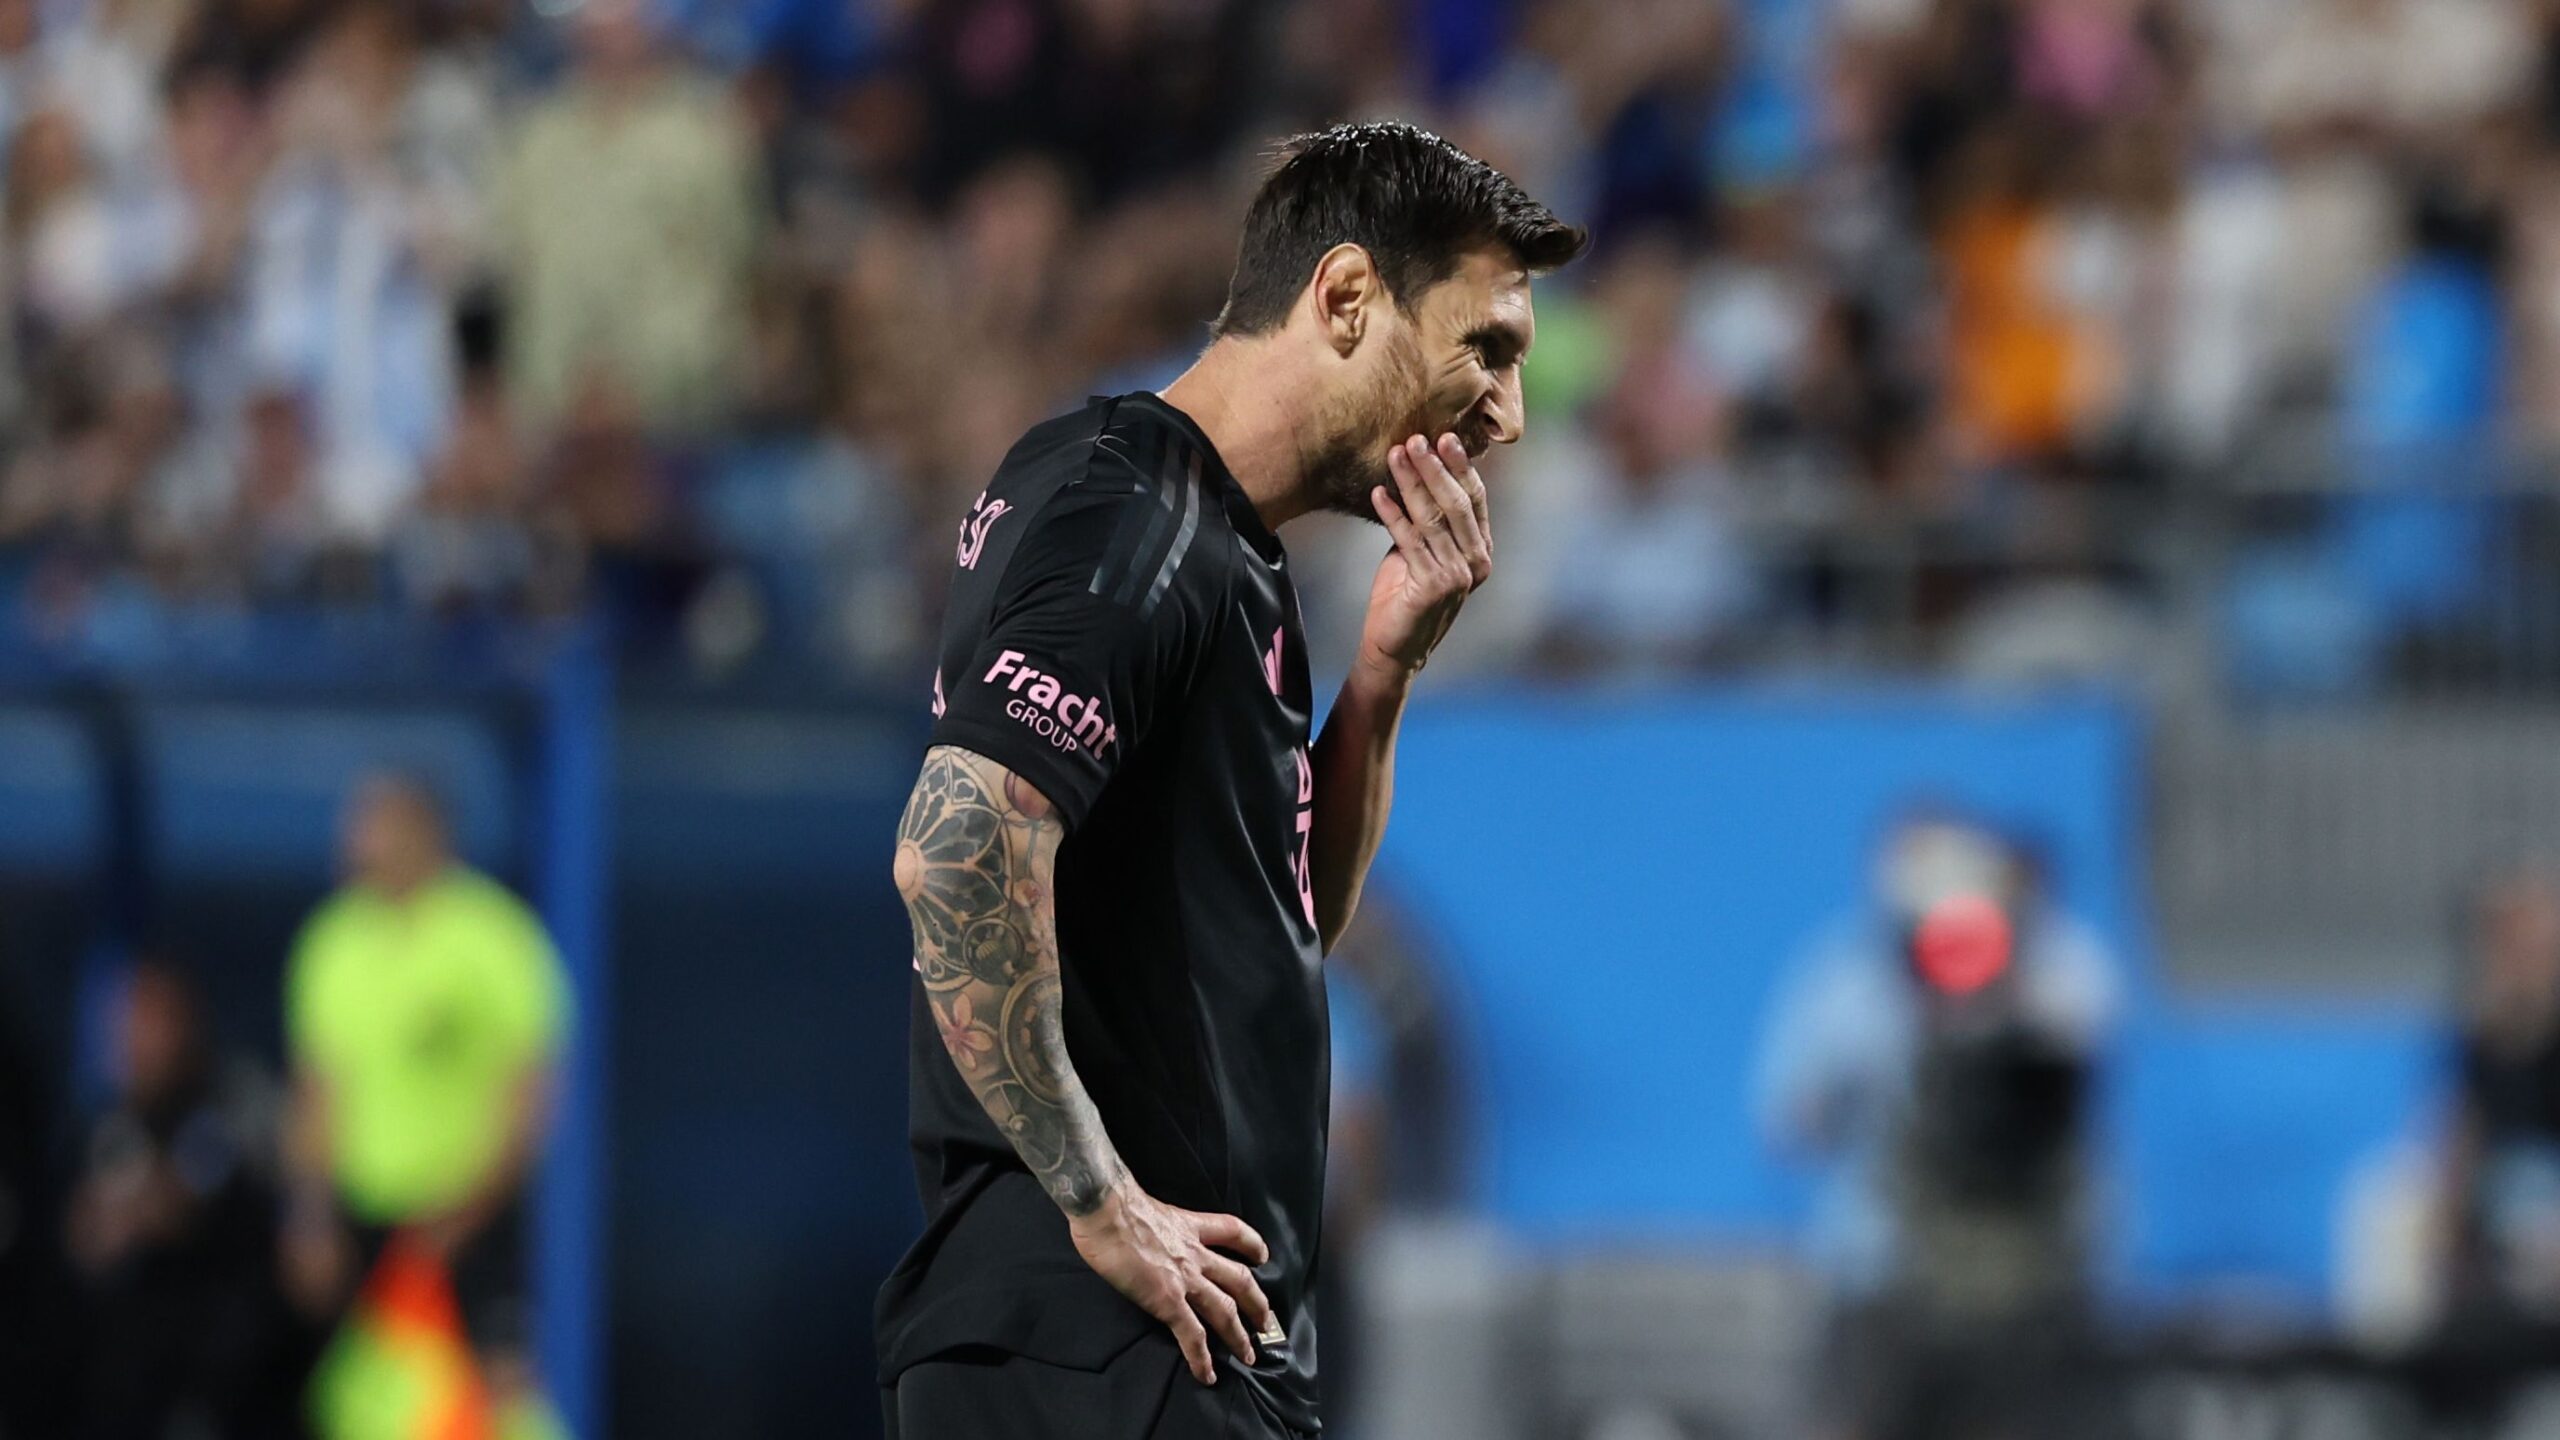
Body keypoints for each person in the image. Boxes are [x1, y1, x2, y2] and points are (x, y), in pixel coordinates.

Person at [876, 120, 1586, 1440]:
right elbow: (958, 845)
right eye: (1486, 349)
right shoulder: (1132, 507)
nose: (1507, 415)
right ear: (1347, 297)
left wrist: (1379, 681)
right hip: (1099, 1347)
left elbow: (1288, 925)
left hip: (1173, 1340)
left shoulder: (1221, 555)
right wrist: (1099, 1199)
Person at [278, 773, 567, 1433]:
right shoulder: (333, 941)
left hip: (472, 1218)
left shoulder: (493, 936)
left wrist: (469, 1212)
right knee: (361, 1398)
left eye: (371, 826)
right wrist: (310, 1216)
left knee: (500, 1395)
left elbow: (533, 1093)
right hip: (367, 1221)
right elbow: (316, 1094)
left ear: (423, 832)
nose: (355, 843)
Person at [64, 958, 296, 1440]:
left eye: (152, 1022)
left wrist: (143, 1208)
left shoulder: (236, 1099)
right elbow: (84, 1235)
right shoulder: (112, 1127)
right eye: (127, 1026)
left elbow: (189, 1196)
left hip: (234, 1372)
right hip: (136, 1384)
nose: (135, 1042)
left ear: (188, 1023)